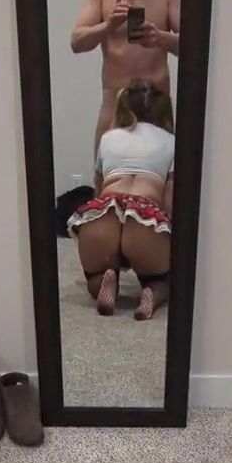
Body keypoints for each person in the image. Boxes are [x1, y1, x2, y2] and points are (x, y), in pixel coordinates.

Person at [68, 80, 174, 321]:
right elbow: (169, 197)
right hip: (144, 217)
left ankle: (105, 280)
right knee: (162, 279)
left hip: (104, 211)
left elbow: (98, 185)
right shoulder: (171, 141)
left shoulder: (108, 138)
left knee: (94, 275)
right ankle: (152, 291)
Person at [71, 0, 180, 154]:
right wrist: (108, 25)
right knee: (107, 169)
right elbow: (77, 43)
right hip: (115, 102)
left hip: (157, 104)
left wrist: (160, 38)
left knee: (163, 170)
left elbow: (193, 46)